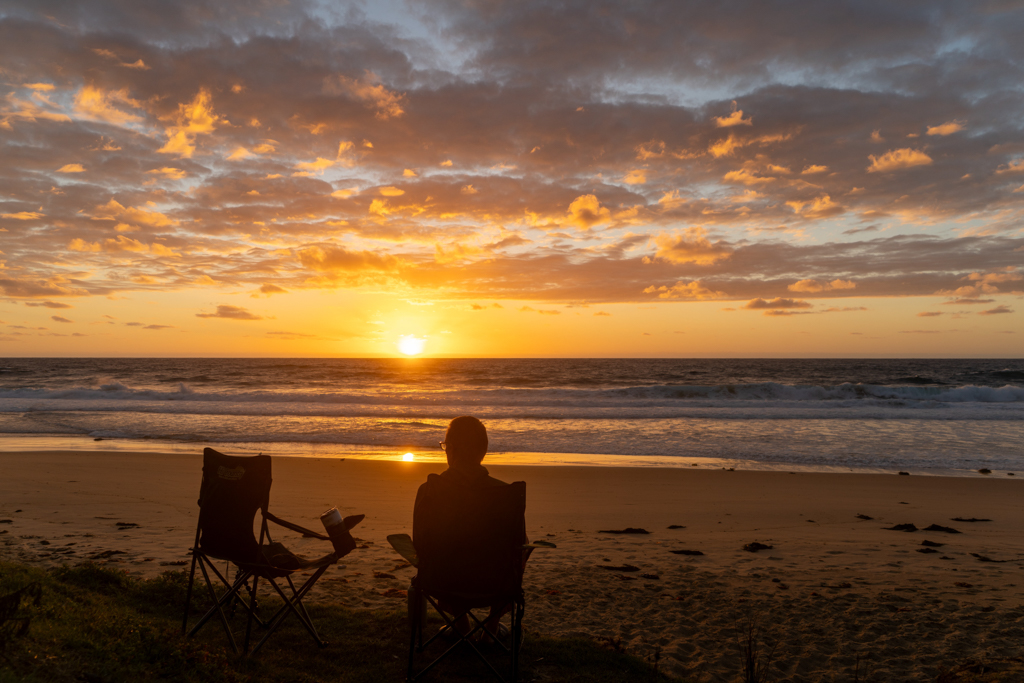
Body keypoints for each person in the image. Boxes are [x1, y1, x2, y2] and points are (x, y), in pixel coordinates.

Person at [412, 415, 528, 641]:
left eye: (445, 446)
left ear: (452, 449)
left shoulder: (429, 491)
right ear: (483, 451)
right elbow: (517, 546)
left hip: (441, 582)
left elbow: (420, 544)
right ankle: (491, 628)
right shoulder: (506, 495)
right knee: (522, 545)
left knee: (446, 549)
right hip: (496, 585)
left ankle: (461, 626)